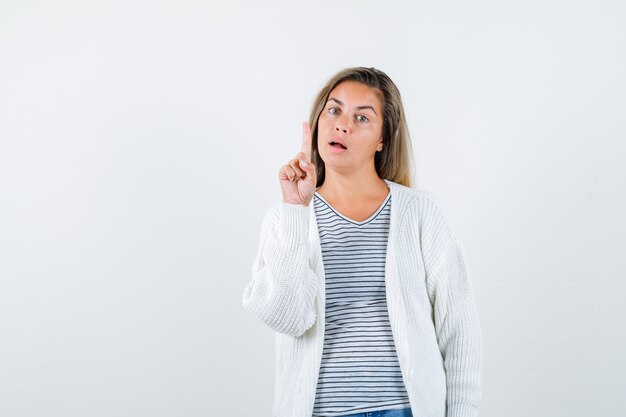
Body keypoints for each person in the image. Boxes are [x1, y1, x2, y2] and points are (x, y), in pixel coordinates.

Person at [242, 67, 483, 417]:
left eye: (362, 118)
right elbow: (287, 317)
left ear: (382, 139)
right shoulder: (287, 217)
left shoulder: (421, 214)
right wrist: (296, 209)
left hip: (404, 410)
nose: (343, 125)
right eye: (335, 110)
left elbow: (460, 334)